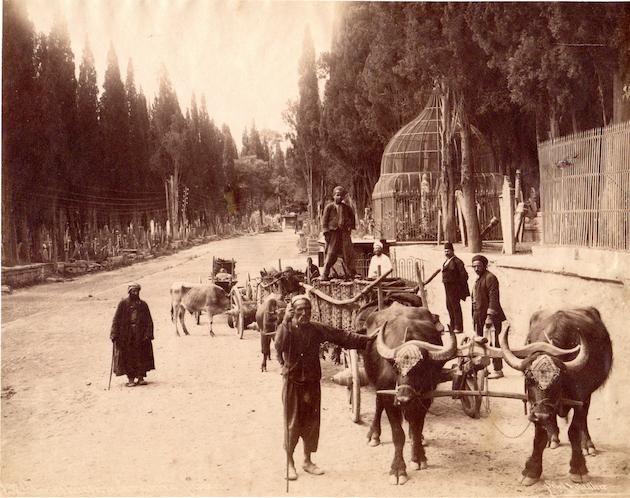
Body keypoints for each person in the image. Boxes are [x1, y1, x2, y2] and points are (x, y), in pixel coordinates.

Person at [275, 295, 373, 481]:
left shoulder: (316, 329)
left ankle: (307, 461)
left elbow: (341, 336)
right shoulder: (286, 328)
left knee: (311, 423)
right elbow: (279, 345)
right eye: (300, 310)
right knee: (293, 423)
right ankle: (289, 462)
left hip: (312, 383)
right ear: (293, 311)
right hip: (293, 383)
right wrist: (285, 322)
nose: (304, 313)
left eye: (308, 310)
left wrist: (367, 340)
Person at [110, 283, 155, 387]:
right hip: (127, 335)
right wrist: (114, 333)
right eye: (133, 291)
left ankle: (140, 377)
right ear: (129, 292)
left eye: (137, 291)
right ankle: (130, 379)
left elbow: (149, 320)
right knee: (128, 357)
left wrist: (148, 333)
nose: (135, 293)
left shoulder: (143, 305)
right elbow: (116, 319)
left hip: (141, 335)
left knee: (141, 356)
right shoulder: (123, 304)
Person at [471, 255, 506, 379]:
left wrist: (489, 316)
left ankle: (498, 370)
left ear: (484, 266)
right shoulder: (479, 279)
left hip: (490, 318)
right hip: (478, 316)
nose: (476, 268)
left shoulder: (490, 278)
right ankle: (484, 369)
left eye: (478, 266)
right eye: (474, 266)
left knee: (493, 343)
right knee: (481, 343)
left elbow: (493, 299)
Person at [425, 242, 469, 333]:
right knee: (449, 306)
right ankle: (452, 326)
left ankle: (458, 327)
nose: (446, 253)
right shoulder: (446, 262)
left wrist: (458, 286)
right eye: (445, 251)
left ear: (452, 251)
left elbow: (464, 276)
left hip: (454, 288)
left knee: (455, 306)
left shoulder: (458, 262)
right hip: (447, 288)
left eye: (448, 251)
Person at [321, 186, 356, 280]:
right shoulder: (329, 207)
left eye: (341, 196)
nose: (339, 197)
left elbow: (352, 217)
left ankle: (350, 274)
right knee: (331, 253)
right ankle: (325, 273)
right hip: (333, 234)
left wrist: (350, 228)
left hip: (344, 233)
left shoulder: (346, 208)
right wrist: (326, 233)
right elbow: (324, 221)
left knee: (347, 253)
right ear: (333, 196)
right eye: (337, 195)